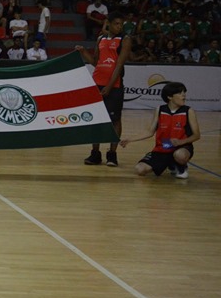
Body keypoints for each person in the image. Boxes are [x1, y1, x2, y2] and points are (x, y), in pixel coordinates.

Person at [76, 11, 132, 167]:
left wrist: (109, 86)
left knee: (115, 120)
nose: (120, 27)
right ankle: (95, 153)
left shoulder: (125, 39)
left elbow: (119, 65)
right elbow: (96, 62)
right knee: (96, 119)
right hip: (97, 83)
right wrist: (83, 52)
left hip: (114, 86)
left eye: (121, 24)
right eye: (116, 24)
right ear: (108, 23)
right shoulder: (100, 39)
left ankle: (112, 154)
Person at [119, 82, 200, 179]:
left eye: (184, 92)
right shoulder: (160, 110)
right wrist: (129, 139)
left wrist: (181, 142)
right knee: (140, 170)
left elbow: (196, 135)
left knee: (180, 155)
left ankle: (180, 166)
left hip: (182, 147)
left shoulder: (188, 111)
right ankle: (170, 164)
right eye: (180, 93)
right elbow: (150, 131)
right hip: (163, 147)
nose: (184, 95)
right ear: (169, 97)